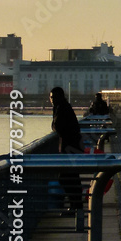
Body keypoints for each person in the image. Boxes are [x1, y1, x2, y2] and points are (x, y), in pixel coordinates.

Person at [49, 87, 83, 216]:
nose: (52, 100)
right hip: (72, 147)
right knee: (71, 177)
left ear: (60, 97)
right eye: (51, 97)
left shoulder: (62, 108)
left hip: (70, 148)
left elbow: (56, 126)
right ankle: (75, 206)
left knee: (66, 178)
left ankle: (76, 207)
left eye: (54, 97)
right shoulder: (64, 107)